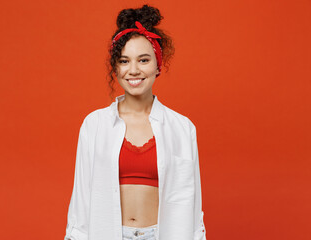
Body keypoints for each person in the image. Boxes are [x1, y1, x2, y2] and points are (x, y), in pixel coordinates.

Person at [64, 4, 206, 240]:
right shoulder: (94, 125)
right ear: (116, 68)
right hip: (107, 234)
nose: (133, 70)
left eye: (143, 60)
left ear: (157, 65)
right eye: (124, 61)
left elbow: (192, 202)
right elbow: (81, 199)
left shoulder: (182, 128)